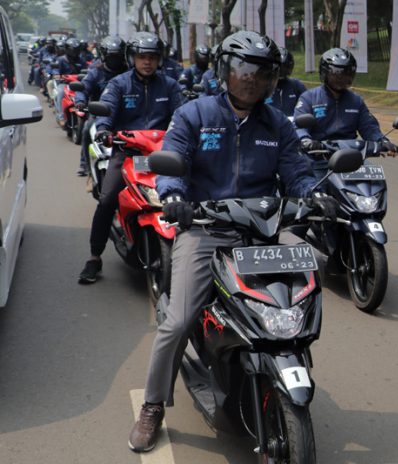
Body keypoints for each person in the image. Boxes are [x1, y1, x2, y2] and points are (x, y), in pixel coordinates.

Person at [127, 30, 337, 453]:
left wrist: (314, 193)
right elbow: (173, 162)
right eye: (243, 71)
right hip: (205, 230)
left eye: (261, 74)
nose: (251, 80)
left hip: (259, 234)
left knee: (288, 308)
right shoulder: (194, 114)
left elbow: (296, 169)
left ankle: (274, 367)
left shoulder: (277, 123)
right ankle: (153, 404)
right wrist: (172, 197)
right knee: (180, 318)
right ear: (226, 71)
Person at [77, 32, 183, 284]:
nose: (147, 62)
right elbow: (107, 111)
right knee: (107, 200)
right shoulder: (119, 85)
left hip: (163, 154)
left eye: (153, 57)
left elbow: (183, 114)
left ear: (160, 60)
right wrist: (103, 130)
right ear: (132, 58)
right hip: (128, 152)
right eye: (142, 57)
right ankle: (94, 257)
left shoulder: (170, 85)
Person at [293, 47, 398, 183]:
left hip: (351, 160)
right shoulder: (309, 98)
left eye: (346, 73)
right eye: (336, 73)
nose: (341, 78)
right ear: (325, 73)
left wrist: (382, 141)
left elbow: (369, 127)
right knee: (314, 194)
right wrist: (306, 140)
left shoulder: (356, 101)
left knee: (375, 187)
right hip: (319, 161)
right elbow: (299, 127)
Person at [74, 36, 128, 176]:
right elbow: (83, 88)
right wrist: (80, 101)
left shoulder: (129, 72)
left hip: (125, 111)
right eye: (112, 57)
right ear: (104, 56)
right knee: (87, 130)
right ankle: (85, 164)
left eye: (118, 56)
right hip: (99, 112)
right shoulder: (95, 72)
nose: (115, 60)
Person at [51, 38, 87, 125]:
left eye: (76, 50)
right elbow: (55, 72)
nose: (74, 52)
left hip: (78, 84)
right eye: (72, 50)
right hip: (65, 83)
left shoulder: (81, 60)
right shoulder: (61, 60)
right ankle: (61, 116)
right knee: (60, 93)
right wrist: (61, 76)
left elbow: (86, 71)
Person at [265, 47, 306, 116]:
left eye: (284, 67)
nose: (281, 71)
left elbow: (307, 103)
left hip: (292, 124)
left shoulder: (296, 85)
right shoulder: (263, 86)